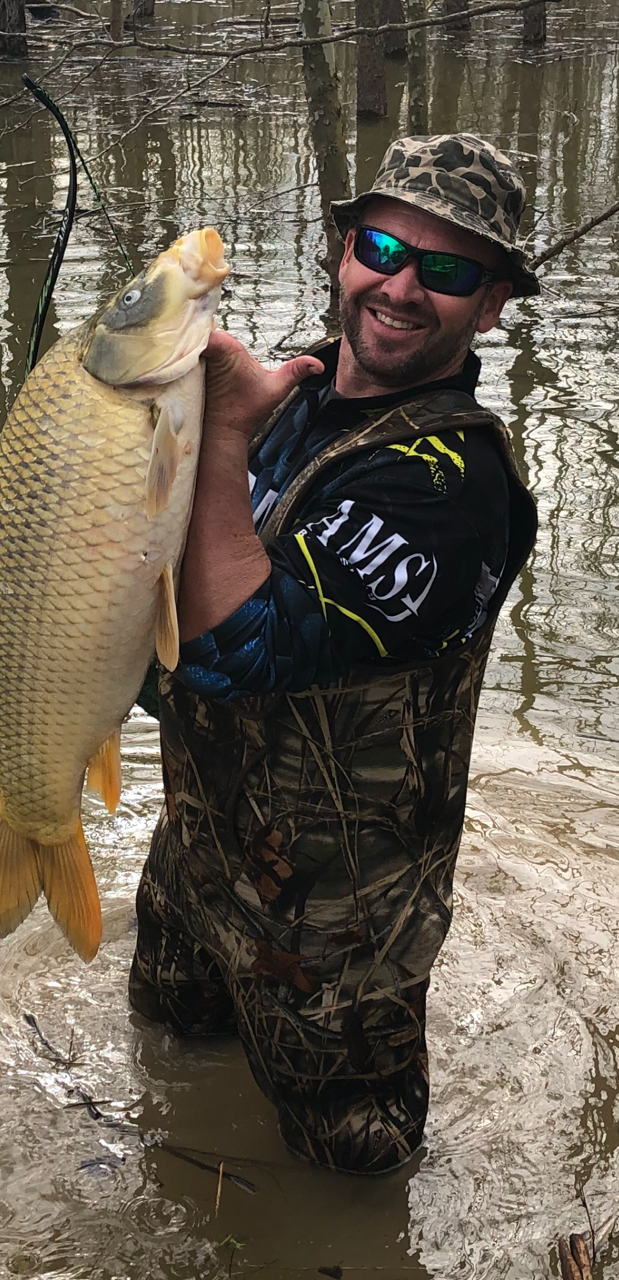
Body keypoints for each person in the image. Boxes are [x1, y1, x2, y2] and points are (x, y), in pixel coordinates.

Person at [129, 134, 539, 1174]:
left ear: (491, 305)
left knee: (348, 1172)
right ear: (341, 250)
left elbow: (230, 653)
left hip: (335, 933)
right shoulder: (293, 395)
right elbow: (161, 616)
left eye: (446, 270)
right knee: (166, 1058)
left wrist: (217, 436)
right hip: (198, 854)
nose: (401, 284)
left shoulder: (451, 486)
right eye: (382, 246)